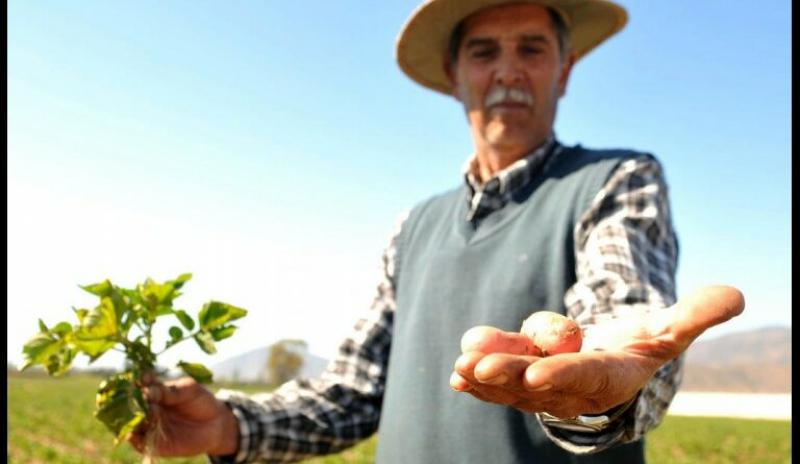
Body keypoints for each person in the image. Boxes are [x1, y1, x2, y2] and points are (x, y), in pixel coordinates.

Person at [130, 1, 745, 462]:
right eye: (484, 52)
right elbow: (355, 390)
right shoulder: (414, 225)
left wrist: (603, 390)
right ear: (455, 75)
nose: (508, 71)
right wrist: (231, 425)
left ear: (565, 70)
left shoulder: (615, 181)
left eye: (532, 49)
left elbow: (621, 307)